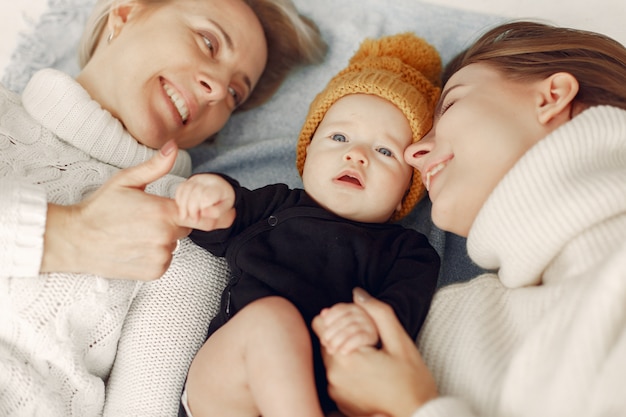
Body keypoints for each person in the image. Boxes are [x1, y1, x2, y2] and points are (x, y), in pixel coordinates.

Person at [0, 0, 326, 416]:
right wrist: (65, 236)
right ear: (125, 13)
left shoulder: (187, 232)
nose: (216, 93)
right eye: (208, 42)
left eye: (234, 93)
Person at [311, 20, 626, 417]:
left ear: (551, 97)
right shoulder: (459, 316)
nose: (412, 154)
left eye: (453, 103)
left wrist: (411, 406)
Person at [174, 33, 442, 417]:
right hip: (232, 386)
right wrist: (208, 196)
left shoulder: (409, 252)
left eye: (384, 151)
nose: (357, 154)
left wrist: (369, 323)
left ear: (406, 192)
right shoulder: (276, 203)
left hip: (331, 396)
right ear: (306, 155)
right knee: (272, 320)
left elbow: (403, 314)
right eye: (339, 137)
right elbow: (218, 221)